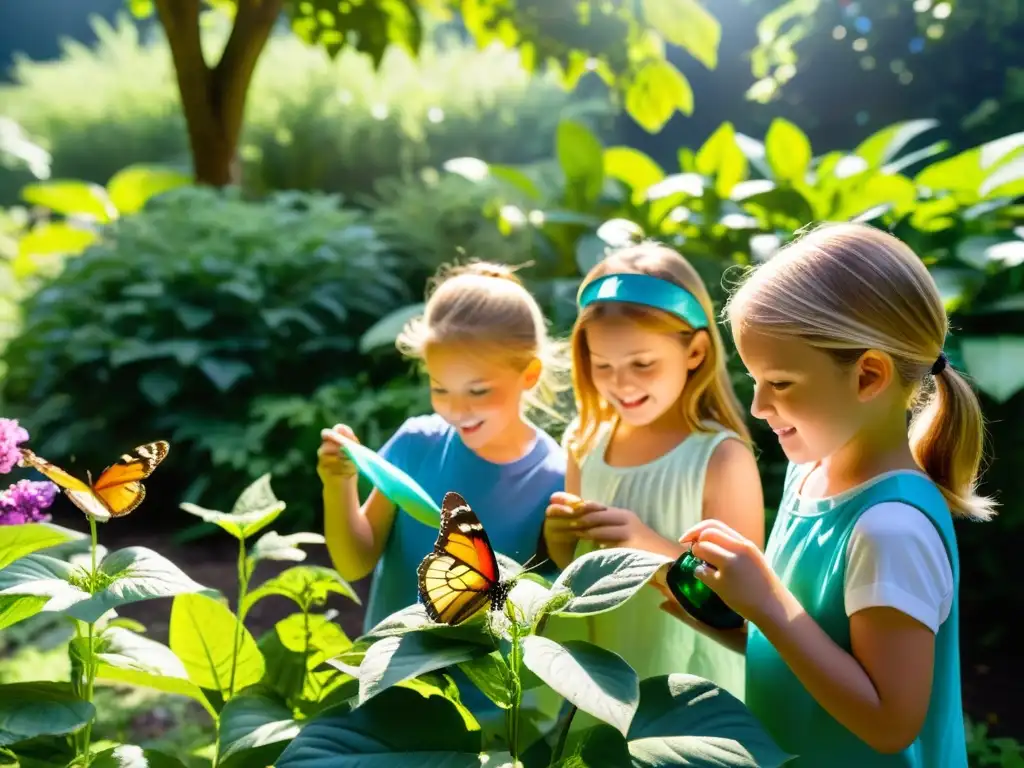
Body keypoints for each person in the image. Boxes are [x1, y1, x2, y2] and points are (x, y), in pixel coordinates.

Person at [665, 222, 993, 766]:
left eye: (782, 382)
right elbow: (813, 655)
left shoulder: (890, 531)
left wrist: (768, 604)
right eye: (754, 380)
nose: (758, 406)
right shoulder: (809, 472)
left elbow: (890, 723)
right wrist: (734, 617)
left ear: (868, 377)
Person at [542, 242, 764, 704]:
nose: (621, 382)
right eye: (602, 365)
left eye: (643, 363)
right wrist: (561, 537)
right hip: (599, 680)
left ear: (696, 352)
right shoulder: (585, 445)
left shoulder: (722, 458)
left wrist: (648, 549)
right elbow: (573, 572)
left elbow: (742, 611)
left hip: (688, 689)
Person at [318, 261, 569, 632]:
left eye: (478, 390)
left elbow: (547, 610)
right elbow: (355, 562)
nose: (457, 408)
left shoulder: (555, 476)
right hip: (395, 679)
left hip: (489, 688)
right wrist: (338, 484)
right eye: (440, 388)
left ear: (528, 374)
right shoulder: (417, 445)